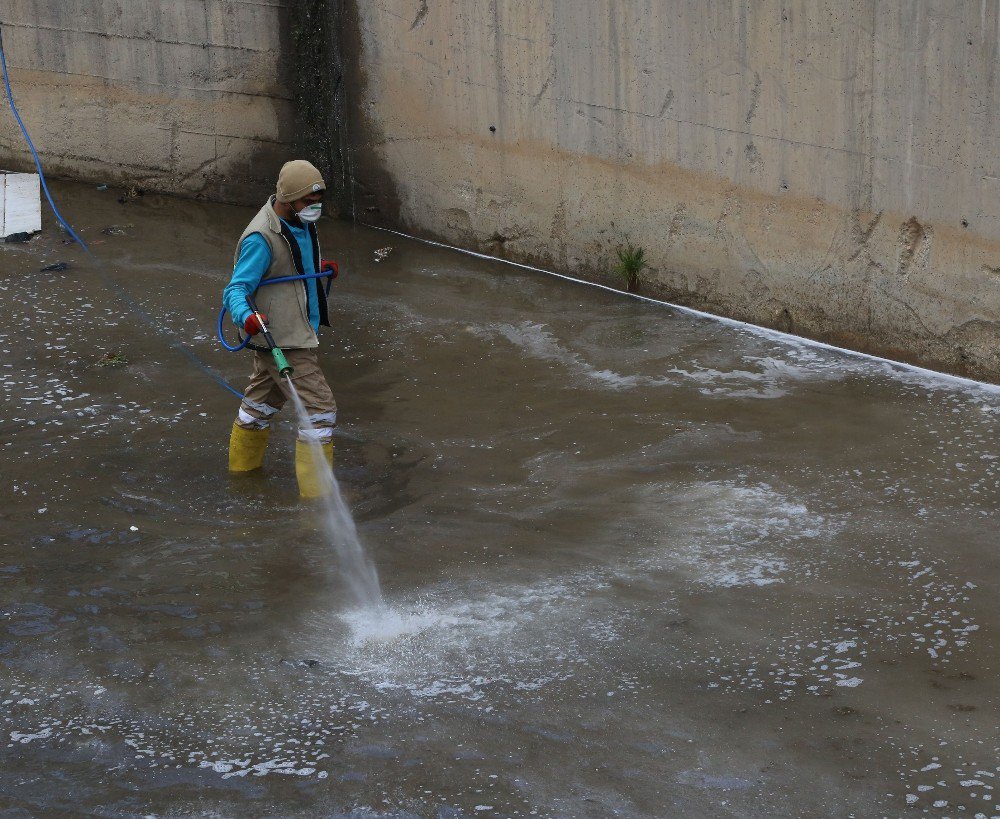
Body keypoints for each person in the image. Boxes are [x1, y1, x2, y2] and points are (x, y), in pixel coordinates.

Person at [223, 159, 340, 498]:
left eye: (317, 200)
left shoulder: (299, 222)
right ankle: (318, 503)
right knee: (320, 413)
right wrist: (247, 317)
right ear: (287, 198)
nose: (314, 207)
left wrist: (317, 270)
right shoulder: (260, 236)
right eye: (307, 201)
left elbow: (288, 262)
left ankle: (242, 482)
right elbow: (236, 289)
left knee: (258, 408)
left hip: (293, 330)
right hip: (282, 339)